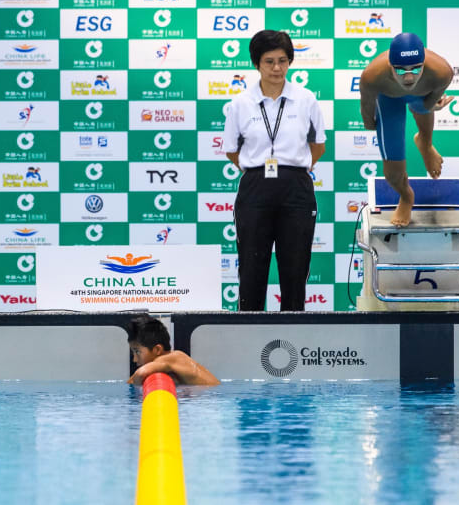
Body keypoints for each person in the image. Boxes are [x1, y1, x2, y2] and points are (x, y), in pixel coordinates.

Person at [222, 30, 326, 312]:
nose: (277, 68)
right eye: (269, 61)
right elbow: (232, 150)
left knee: (295, 266)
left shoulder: (306, 100)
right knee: (252, 266)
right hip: (255, 186)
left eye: (283, 60)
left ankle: (294, 329)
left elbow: (318, 145)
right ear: (257, 64)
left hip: (296, 187)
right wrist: (258, 169)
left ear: (290, 62)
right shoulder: (240, 104)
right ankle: (246, 331)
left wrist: (292, 167)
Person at [359, 33, 454, 227]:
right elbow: (367, 114)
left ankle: (425, 143)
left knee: (423, 106)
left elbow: (428, 105)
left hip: (422, 97)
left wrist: (435, 106)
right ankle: (406, 196)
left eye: (416, 69)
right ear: (390, 67)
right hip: (389, 101)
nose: (409, 77)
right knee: (392, 174)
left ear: (424, 64)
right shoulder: (372, 76)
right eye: (401, 71)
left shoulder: (442, 72)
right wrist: (373, 126)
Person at [127, 315, 219, 386]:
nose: (134, 359)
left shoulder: (173, 358)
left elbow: (140, 374)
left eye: (137, 352)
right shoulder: (170, 365)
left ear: (157, 350)